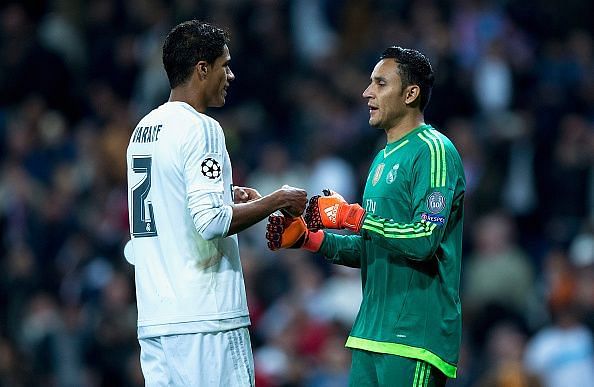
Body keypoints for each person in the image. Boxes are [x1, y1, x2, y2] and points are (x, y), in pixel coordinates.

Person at [266, 46, 466, 386]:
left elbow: (423, 240)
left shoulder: (434, 151)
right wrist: (310, 238)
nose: (366, 92)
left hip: (414, 336)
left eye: (380, 83)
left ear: (410, 93)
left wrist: (353, 217)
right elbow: (373, 248)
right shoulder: (382, 159)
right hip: (369, 333)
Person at [126, 20, 307, 386]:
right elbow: (211, 222)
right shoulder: (202, 128)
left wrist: (225, 193)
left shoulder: (143, 130)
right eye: (225, 65)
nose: (232, 75)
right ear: (202, 69)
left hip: (157, 319)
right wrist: (277, 200)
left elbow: (173, 203)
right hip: (206, 319)